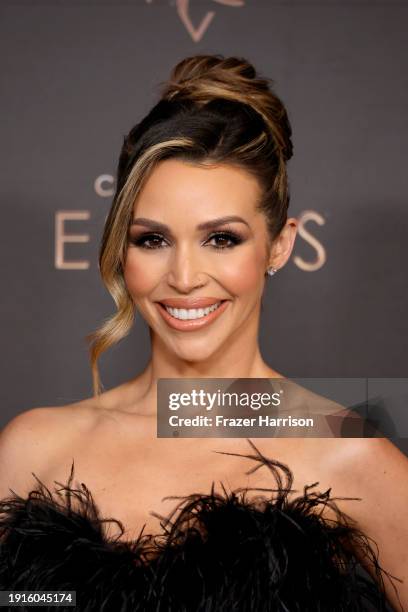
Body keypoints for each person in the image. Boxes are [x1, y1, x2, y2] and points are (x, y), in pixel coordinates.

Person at [0, 54, 407, 611]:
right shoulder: (30, 451)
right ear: (122, 249)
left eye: (221, 239)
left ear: (280, 244)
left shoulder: (350, 454)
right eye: (152, 239)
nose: (185, 278)